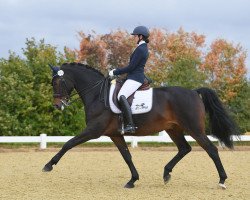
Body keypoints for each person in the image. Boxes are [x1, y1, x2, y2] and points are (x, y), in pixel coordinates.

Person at [109, 26, 150, 133]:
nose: (134, 38)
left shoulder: (141, 49)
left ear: (141, 37)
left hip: (135, 78)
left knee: (121, 96)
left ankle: (130, 125)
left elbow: (131, 67)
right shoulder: (141, 48)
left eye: (135, 36)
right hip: (133, 76)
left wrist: (115, 71)